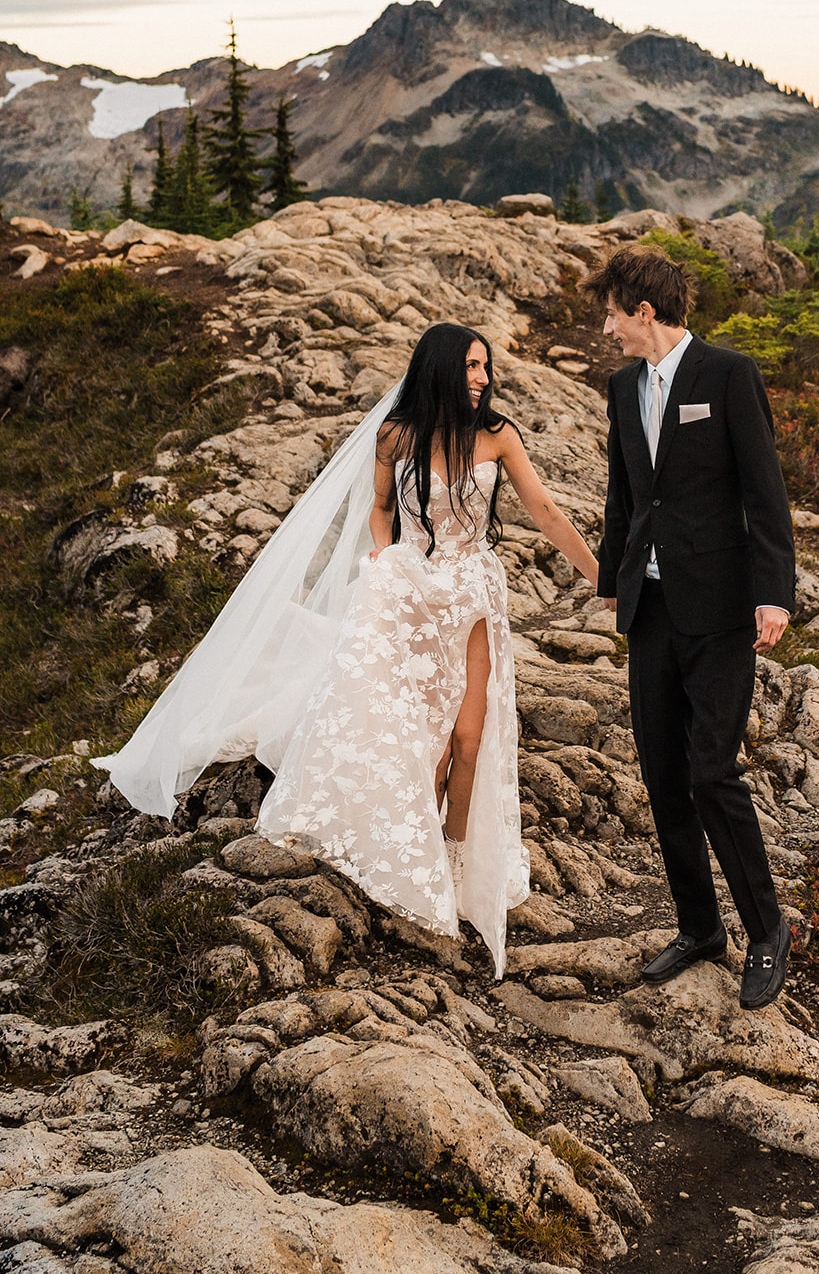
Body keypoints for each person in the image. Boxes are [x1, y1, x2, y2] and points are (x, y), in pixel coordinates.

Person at [95, 323, 600, 977]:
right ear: (441, 370)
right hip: (411, 593)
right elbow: (382, 507)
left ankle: (452, 865)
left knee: (471, 740)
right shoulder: (396, 434)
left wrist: (603, 579)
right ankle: (413, 864)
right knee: (429, 741)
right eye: (470, 367)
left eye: (485, 367)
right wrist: (383, 553)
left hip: (471, 595)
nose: (481, 377)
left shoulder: (498, 435)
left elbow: (545, 510)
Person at [583, 245, 795, 1009]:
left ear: (644, 312)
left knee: (712, 771)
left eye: (612, 313)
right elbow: (623, 491)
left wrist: (773, 594)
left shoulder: (728, 375)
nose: (606, 328)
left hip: (720, 608)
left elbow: (764, 492)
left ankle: (766, 931)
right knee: (663, 776)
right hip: (651, 611)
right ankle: (699, 928)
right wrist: (613, 578)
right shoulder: (619, 387)